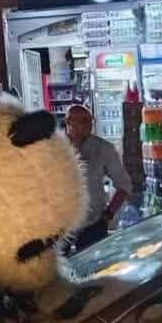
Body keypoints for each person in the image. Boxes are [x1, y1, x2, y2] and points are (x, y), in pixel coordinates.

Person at [64, 104, 132, 251]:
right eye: (82, 120)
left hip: (93, 224)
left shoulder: (104, 148)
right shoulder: (55, 148)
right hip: (60, 227)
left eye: (90, 120)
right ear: (68, 122)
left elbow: (124, 185)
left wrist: (108, 215)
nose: (87, 125)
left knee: (95, 263)